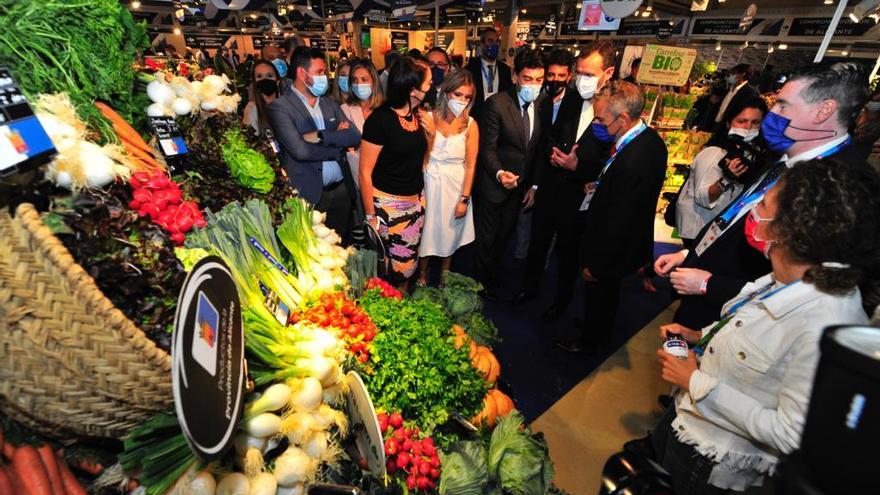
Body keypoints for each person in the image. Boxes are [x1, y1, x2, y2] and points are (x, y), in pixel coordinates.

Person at [651, 158, 879, 494]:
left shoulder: (826, 320)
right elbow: (750, 329)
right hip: (689, 422)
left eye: (764, 204)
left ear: (794, 228)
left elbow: (791, 432)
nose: (754, 210)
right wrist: (698, 335)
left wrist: (693, 381)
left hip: (711, 461)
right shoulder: (785, 277)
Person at [654, 62, 870, 331]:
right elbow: (737, 215)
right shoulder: (784, 158)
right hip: (707, 299)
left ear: (823, 110)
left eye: (783, 106)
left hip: (745, 323)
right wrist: (693, 253)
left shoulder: (846, 186)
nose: (773, 114)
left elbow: (813, 289)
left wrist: (712, 284)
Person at [558, 81, 668, 353]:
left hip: (609, 251)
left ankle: (590, 343)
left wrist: (596, 265)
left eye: (600, 118)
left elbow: (621, 221)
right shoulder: (649, 140)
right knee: (601, 298)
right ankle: (593, 329)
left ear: (623, 119)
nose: (596, 123)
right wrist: (600, 183)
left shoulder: (635, 160)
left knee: (601, 295)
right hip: (617, 244)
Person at [512, 43, 615, 321]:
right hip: (551, 187)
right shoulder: (569, 98)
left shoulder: (618, 107)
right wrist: (541, 174)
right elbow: (550, 137)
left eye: (589, 74)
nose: (581, 79)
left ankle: (560, 303)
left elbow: (613, 159)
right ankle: (529, 289)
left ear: (608, 73)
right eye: (579, 72)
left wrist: (579, 167)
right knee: (537, 244)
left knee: (568, 255)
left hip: (581, 196)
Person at [475, 48, 547, 300]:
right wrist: (499, 173)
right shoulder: (496, 104)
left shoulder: (542, 102)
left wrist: (534, 186)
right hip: (494, 186)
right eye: (528, 79)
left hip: (520, 189)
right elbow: (487, 148)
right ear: (515, 76)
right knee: (486, 240)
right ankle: (480, 286)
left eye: (539, 80)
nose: (534, 85)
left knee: (505, 237)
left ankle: (493, 275)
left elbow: (537, 150)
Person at [268, 47, 361, 241]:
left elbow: (354, 136)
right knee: (314, 252)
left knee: (341, 247)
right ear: (302, 73)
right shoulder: (281, 107)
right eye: (319, 72)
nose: (324, 77)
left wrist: (322, 136)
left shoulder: (329, 104)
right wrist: (337, 146)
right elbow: (300, 151)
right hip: (308, 194)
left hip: (341, 190)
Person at [359, 57, 432, 288]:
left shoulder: (418, 116)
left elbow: (422, 159)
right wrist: (371, 217)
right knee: (388, 270)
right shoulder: (380, 120)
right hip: (387, 209)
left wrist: (431, 135)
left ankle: (401, 300)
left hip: (414, 204)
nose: (431, 87)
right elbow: (364, 171)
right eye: (428, 83)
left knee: (406, 268)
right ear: (413, 89)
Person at [675, 97, 769, 248]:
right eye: (741, 121)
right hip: (700, 229)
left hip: (722, 230)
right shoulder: (714, 153)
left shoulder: (751, 153)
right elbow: (703, 197)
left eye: (755, 122)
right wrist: (726, 179)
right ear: (728, 123)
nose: (748, 128)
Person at [417, 70, 478, 286]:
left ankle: (444, 277)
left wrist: (464, 199)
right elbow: (422, 157)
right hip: (430, 180)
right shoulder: (428, 117)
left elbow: (471, 166)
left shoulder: (471, 124)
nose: (462, 101)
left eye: (467, 97)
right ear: (446, 93)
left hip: (456, 182)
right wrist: (432, 134)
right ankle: (422, 276)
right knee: (427, 231)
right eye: (458, 94)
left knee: (450, 233)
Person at [341, 59, 384, 190]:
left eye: (364, 79)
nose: (359, 84)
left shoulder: (385, 110)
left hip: (385, 176)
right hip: (358, 176)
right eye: (355, 80)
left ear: (374, 82)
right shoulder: (345, 109)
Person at [465, 27, 512, 124]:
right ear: (482, 45)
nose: (494, 45)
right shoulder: (470, 69)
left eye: (497, 41)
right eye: (490, 41)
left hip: (498, 120)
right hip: (476, 119)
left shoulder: (505, 70)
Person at [243, 59, 283, 135]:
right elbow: (250, 139)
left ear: (277, 80)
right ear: (255, 82)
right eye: (259, 76)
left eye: (269, 76)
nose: (265, 79)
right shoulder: (252, 109)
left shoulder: (288, 105)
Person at [713, 64, 757, 130]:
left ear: (742, 75)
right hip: (718, 123)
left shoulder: (749, 92)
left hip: (729, 128)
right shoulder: (730, 88)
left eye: (733, 73)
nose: (730, 76)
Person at [853, 88, 880, 161]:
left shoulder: (877, 124)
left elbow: (866, 138)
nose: (873, 103)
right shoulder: (861, 114)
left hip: (860, 152)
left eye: (877, 101)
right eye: (872, 100)